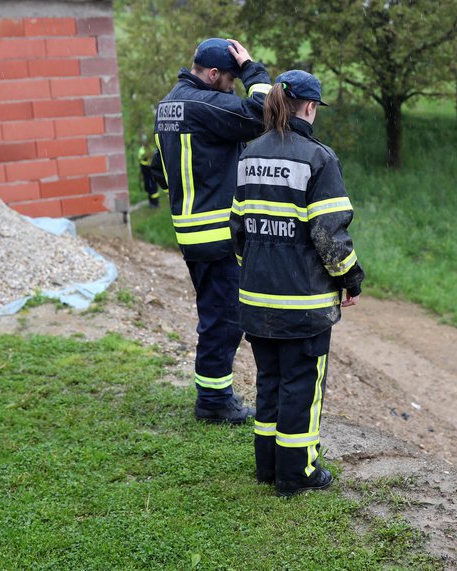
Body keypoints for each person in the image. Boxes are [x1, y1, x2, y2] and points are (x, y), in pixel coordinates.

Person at [230, 70, 365, 496]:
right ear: (310, 107)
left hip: (255, 298)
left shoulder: (249, 154)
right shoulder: (319, 158)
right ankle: (297, 474)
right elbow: (329, 235)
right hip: (302, 304)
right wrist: (351, 279)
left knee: (269, 381)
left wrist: (255, 269)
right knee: (302, 387)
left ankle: (268, 467)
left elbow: (238, 229)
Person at [152, 38, 272, 424]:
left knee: (216, 315)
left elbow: (160, 170)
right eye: (232, 79)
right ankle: (214, 402)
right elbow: (262, 115)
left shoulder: (169, 104)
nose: (234, 86)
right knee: (225, 319)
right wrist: (254, 69)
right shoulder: (203, 104)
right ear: (214, 74)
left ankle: (214, 394)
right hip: (216, 232)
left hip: (191, 229)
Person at [137, 142, 160, 208]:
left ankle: (155, 203)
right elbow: (140, 159)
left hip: (149, 170)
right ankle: (151, 202)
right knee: (148, 186)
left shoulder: (150, 150)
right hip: (145, 171)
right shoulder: (142, 149)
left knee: (153, 186)